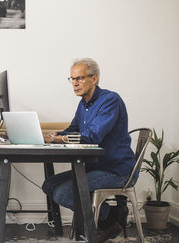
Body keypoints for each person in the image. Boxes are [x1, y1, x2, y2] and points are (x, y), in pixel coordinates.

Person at [42, 58, 136, 242]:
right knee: (50, 184)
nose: (75, 83)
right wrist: (51, 135)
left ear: (94, 78)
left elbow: (92, 137)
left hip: (116, 169)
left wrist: (56, 139)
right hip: (95, 167)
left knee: (64, 193)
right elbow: (73, 131)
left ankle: (110, 222)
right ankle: (112, 214)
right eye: (72, 79)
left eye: (80, 78)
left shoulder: (110, 100)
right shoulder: (84, 104)